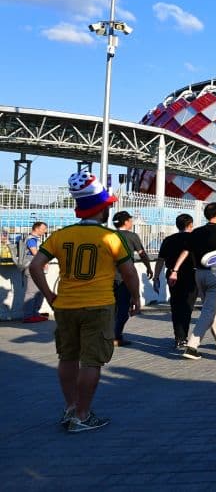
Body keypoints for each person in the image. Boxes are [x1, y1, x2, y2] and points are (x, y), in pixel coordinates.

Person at [27, 171, 139, 433]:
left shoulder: (60, 235)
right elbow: (129, 272)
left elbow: (36, 266)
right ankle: (83, 414)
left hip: (65, 306)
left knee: (67, 357)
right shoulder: (111, 238)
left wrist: (49, 295)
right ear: (102, 210)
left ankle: (70, 407)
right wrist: (135, 297)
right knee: (91, 362)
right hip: (98, 306)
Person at [173, 202, 216, 359]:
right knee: (209, 309)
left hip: (199, 274)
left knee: (210, 307)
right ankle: (192, 346)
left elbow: (186, 251)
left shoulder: (196, 232)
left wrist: (175, 270)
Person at [153, 213, 197, 350]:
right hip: (191, 274)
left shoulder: (168, 240)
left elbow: (160, 260)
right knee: (187, 306)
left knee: (176, 305)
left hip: (171, 275)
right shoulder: (194, 239)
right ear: (190, 225)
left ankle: (179, 337)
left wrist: (156, 277)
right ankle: (183, 336)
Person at [111, 211, 153, 346]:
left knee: (111, 308)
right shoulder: (132, 236)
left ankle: (110, 335)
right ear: (126, 222)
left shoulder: (109, 235)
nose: (132, 222)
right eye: (131, 220)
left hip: (108, 277)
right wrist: (148, 267)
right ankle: (116, 336)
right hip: (125, 277)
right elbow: (142, 254)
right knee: (123, 308)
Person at [20, 221, 49, 323]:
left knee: (39, 292)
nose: (45, 231)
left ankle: (34, 314)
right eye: (44, 228)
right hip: (32, 268)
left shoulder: (35, 239)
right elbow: (34, 252)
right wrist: (44, 261)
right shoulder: (31, 239)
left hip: (36, 268)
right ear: (37, 228)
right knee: (32, 292)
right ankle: (28, 316)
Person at [0, 231, 20, 321]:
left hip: (9, 269)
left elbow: (13, 255)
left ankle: (9, 314)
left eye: (5, 236)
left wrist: (8, 243)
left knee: (9, 295)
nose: (4, 237)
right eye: (2, 236)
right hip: (3, 270)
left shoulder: (9, 245)